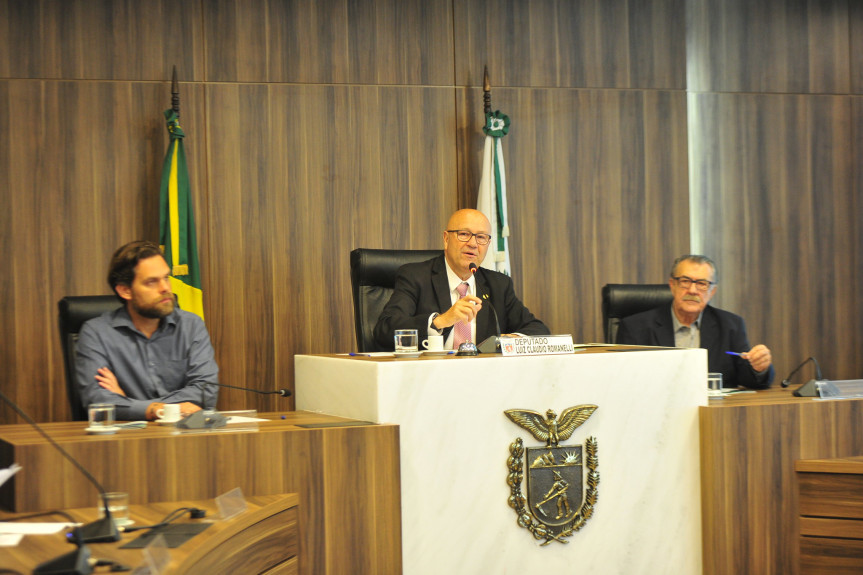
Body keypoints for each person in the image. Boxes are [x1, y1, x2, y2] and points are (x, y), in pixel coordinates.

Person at [75, 240, 219, 420]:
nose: (165, 288)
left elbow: (206, 391)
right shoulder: (96, 333)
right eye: (152, 282)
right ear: (125, 291)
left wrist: (129, 403)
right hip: (127, 442)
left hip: (186, 436)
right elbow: (96, 399)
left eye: (166, 277)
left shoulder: (191, 326)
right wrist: (156, 408)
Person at [373, 209, 549, 350]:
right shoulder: (415, 276)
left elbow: (539, 330)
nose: (473, 244)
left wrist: (511, 339)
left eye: (481, 237)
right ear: (446, 239)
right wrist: (441, 321)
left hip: (484, 379)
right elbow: (385, 330)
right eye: (464, 234)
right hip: (428, 380)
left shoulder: (498, 284)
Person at [616, 255, 774, 389]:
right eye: (685, 281)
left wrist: (759, 368)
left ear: (712, 292)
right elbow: (624, 383)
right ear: (673, 285)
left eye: (701, 284)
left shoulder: (730, 325)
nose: (692, 290)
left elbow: (749, 380)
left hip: (714, 417)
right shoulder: (635, 327)